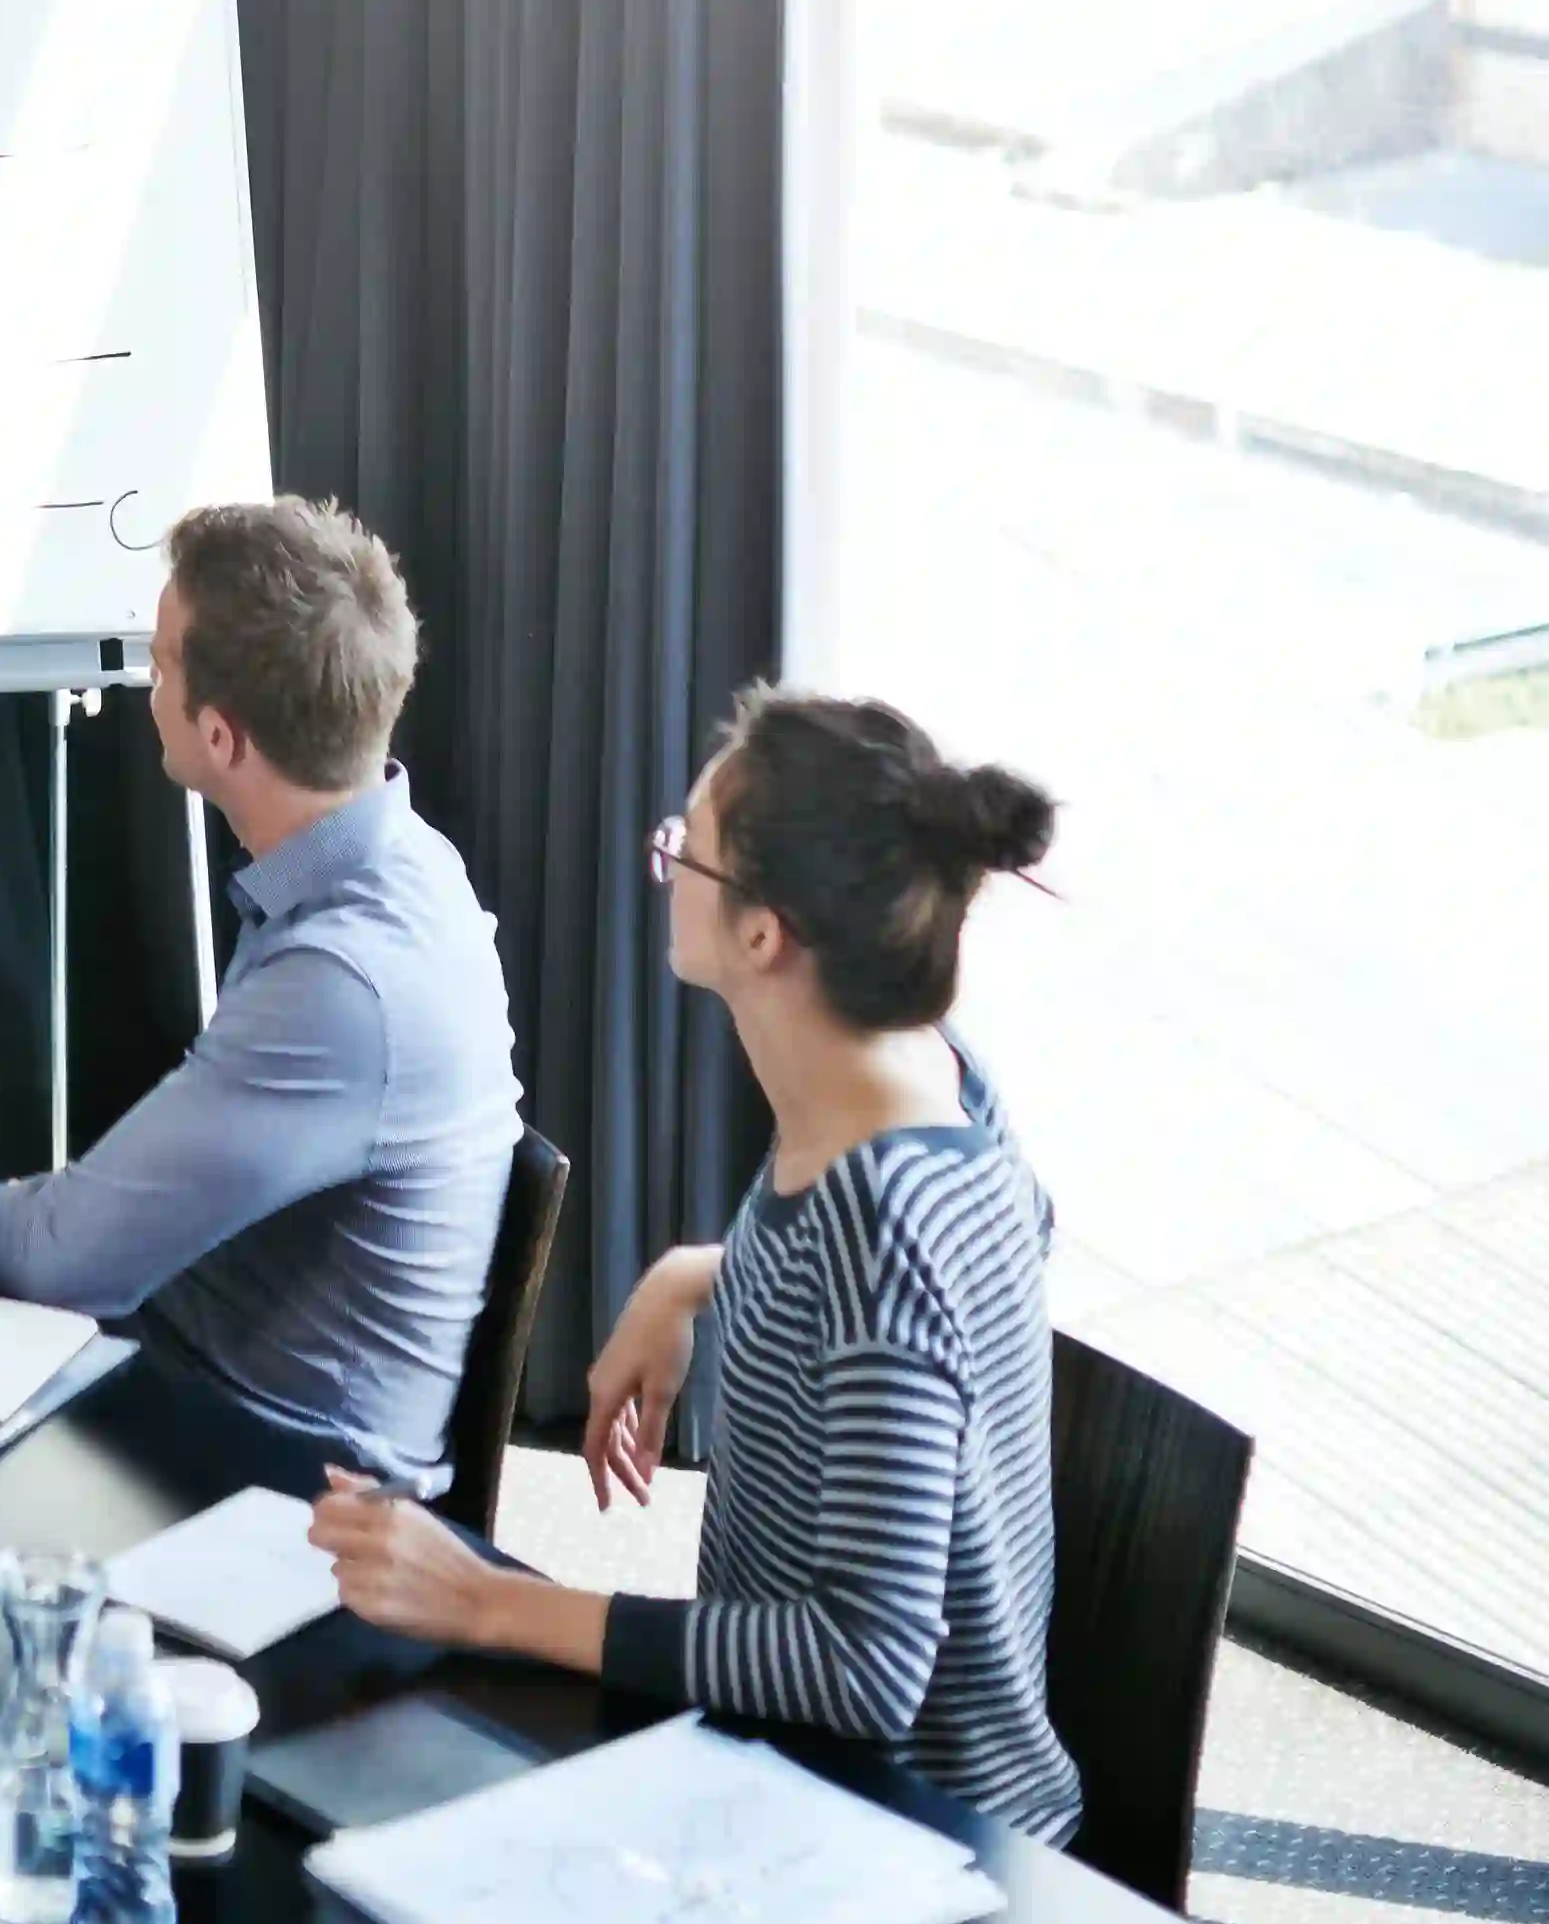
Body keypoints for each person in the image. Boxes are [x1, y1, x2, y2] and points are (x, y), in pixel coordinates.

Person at [311, 686, 1082, 1844]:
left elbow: (861, 1667)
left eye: (687, 850)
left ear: (763, 934)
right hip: (811, 1777)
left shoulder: (877, 1217)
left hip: (903, 1834)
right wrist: (700, 1275)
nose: (665, 865)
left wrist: (493, 1602)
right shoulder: (926, 1076)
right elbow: (970, 1275)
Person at [0, 497, 519, 1494]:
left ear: (222, 735)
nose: (144, 684)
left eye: (157, 666)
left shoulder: (343, 987)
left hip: (282, 1473)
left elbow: (69, 1260)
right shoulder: (409, 863)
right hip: (224, 1378)